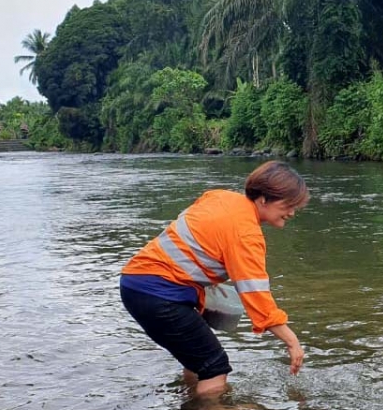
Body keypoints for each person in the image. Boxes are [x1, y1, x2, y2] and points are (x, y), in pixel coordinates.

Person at [120, 161, 310, 396]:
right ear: (263, 198)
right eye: (288, 204)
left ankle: (189, 405)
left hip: (135, 282)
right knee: (215, 366)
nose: (292, 212)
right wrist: (292, 341)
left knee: (197, 360)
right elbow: (257, 298)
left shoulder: (220, 197)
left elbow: (200, 241)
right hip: (159, 294)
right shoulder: (246, 233)